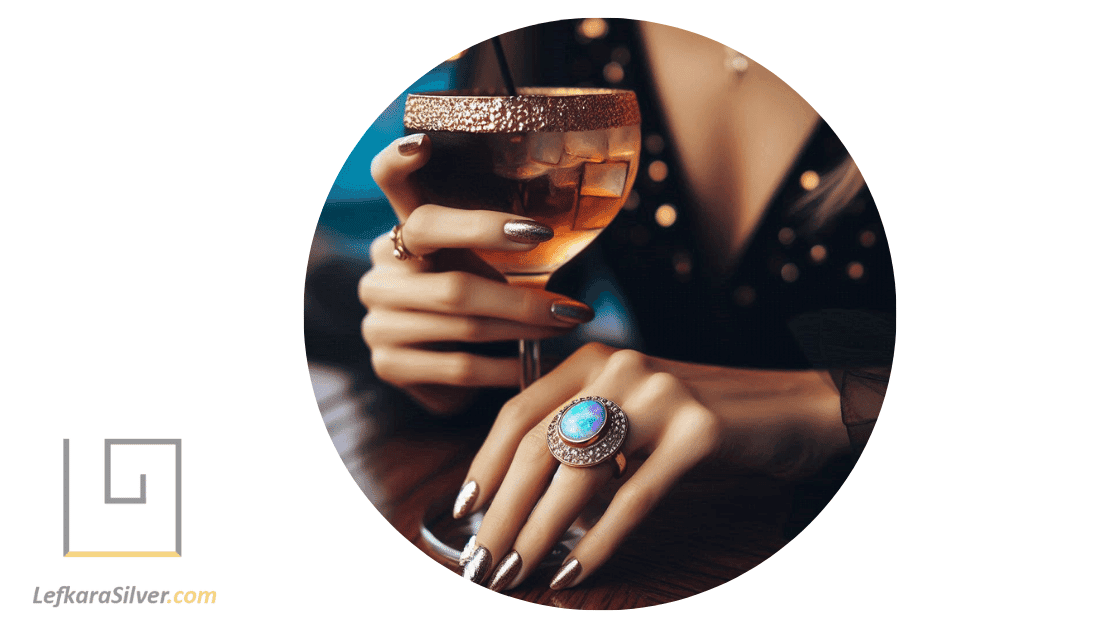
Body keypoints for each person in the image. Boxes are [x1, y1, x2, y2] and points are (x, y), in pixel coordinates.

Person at [355, 19, 894, 593]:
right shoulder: (546, 31)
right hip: (676, 528)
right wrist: (457, 333)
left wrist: (829, 405)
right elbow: (546, 283)